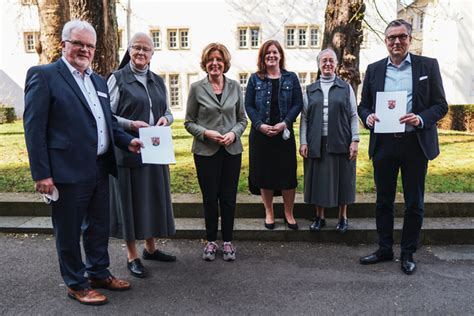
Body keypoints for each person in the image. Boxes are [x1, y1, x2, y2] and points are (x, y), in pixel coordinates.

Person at [23, 20, 143, 305]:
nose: (85, 50)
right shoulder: (45, 75)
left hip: (100, 167)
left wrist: (127, 141)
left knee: (99, 226)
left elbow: (107, 122)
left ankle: (98, 272)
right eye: (78, 43)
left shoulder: (98, 81)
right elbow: (34, 128)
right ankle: (76, 284)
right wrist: (42, 174)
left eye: (90, 45)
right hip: (66, 171)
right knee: (68, 230)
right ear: (63, 44)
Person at [358, 19, 448, 274]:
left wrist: (420, 119)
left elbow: (441, 105)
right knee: (383, 201)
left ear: (410, 39)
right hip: (385, 144)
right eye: (391, 38)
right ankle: (385, 249)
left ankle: (408, 253)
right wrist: (368, 117)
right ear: (385, 41)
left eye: (402, 37)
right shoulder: (374, 69)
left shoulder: (427, 66)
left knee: (414, 203)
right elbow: (363, 105)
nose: (396, 42)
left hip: (415, 144)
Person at [107, 32, 176, 279]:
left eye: (146, 49)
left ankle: (151, 248)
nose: (141, 53)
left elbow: (168, 112)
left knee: (150, 200)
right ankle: (131, 255)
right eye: (136, 47)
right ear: (129, 49)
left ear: (152, 54)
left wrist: (165, 120)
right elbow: (108, 115)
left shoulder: (158, 80)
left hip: (154, 150)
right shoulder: (117, 78)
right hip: (128, 150)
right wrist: (131, 125)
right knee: (129, 203)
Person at [184, 43, 247, 261]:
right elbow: (189, 122)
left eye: (219, 60)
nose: (215, 63)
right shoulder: (196, 88)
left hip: (231, 150)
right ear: (205, 63)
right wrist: (206, 133)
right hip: (205, 151)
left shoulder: (235, 87)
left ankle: (227, 242)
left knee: (228, 198)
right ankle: (211, 241)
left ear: (225, 63)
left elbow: (242, 119)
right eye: (211, 60)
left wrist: (234, 134)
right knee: (210, 198)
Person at [299, 48, 360, 233]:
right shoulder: (310, 90)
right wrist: (303, 141)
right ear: (318, 65)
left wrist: (355, 140)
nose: (327, 64)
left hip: (341, 139)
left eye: (331, 61)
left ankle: (343, 217)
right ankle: (320, 217)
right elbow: (305, 119)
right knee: (318, 180)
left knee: (344, 179)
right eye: (323, 61)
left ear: (336, 64)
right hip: (316, 141)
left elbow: (353, 115)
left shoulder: (345, 87)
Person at [245, 40, 303, 230]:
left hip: (283, 134)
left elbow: (297, 104)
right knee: (265, 174)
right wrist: (260, 125)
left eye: (275, 52)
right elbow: (249, 106)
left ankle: (289, 213)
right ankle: (269, 212)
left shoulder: (291, 78)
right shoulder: (255, 79)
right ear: (262, 57)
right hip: (261, 136)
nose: (271, 55)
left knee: (287, 175)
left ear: (280, 55)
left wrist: (285, 123)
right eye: (267, 53)